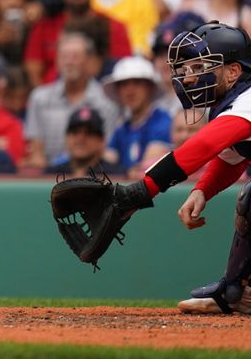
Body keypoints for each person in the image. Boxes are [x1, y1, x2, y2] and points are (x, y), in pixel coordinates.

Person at [96, 21, 251, 314]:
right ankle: (235, 292)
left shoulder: (247, 101)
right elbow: (233, 157)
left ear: (233, 72)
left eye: (200, 68)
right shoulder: (237, 102)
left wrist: (142, 191)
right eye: (187, 70)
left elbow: (204, 146)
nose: (189, 79)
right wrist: (203, 189)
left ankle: (235, 291)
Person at [24, 32, 119, 170]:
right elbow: (36, 150)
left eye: (75, 57)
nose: (69, 62)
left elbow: (108, 150)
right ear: (57, 61)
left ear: (90, 61)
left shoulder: (107, 101)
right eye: (64, 57)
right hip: (50, 177)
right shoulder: (39, 98)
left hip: (94, 177)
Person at [102, 56, 172, 173]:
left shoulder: (163, 123)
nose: (130, 91)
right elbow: (107, 164)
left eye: (137, 83)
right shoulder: (121, 128)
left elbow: (144, 172)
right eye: (124, 84)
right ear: (118, 91)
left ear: (150, 88)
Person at [44, 105, 122, 177]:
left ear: (101, 140)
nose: (80, 138)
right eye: (75, 132)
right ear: (66, 137)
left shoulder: (117, 175)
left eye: (89, 133)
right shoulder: (51, 174)